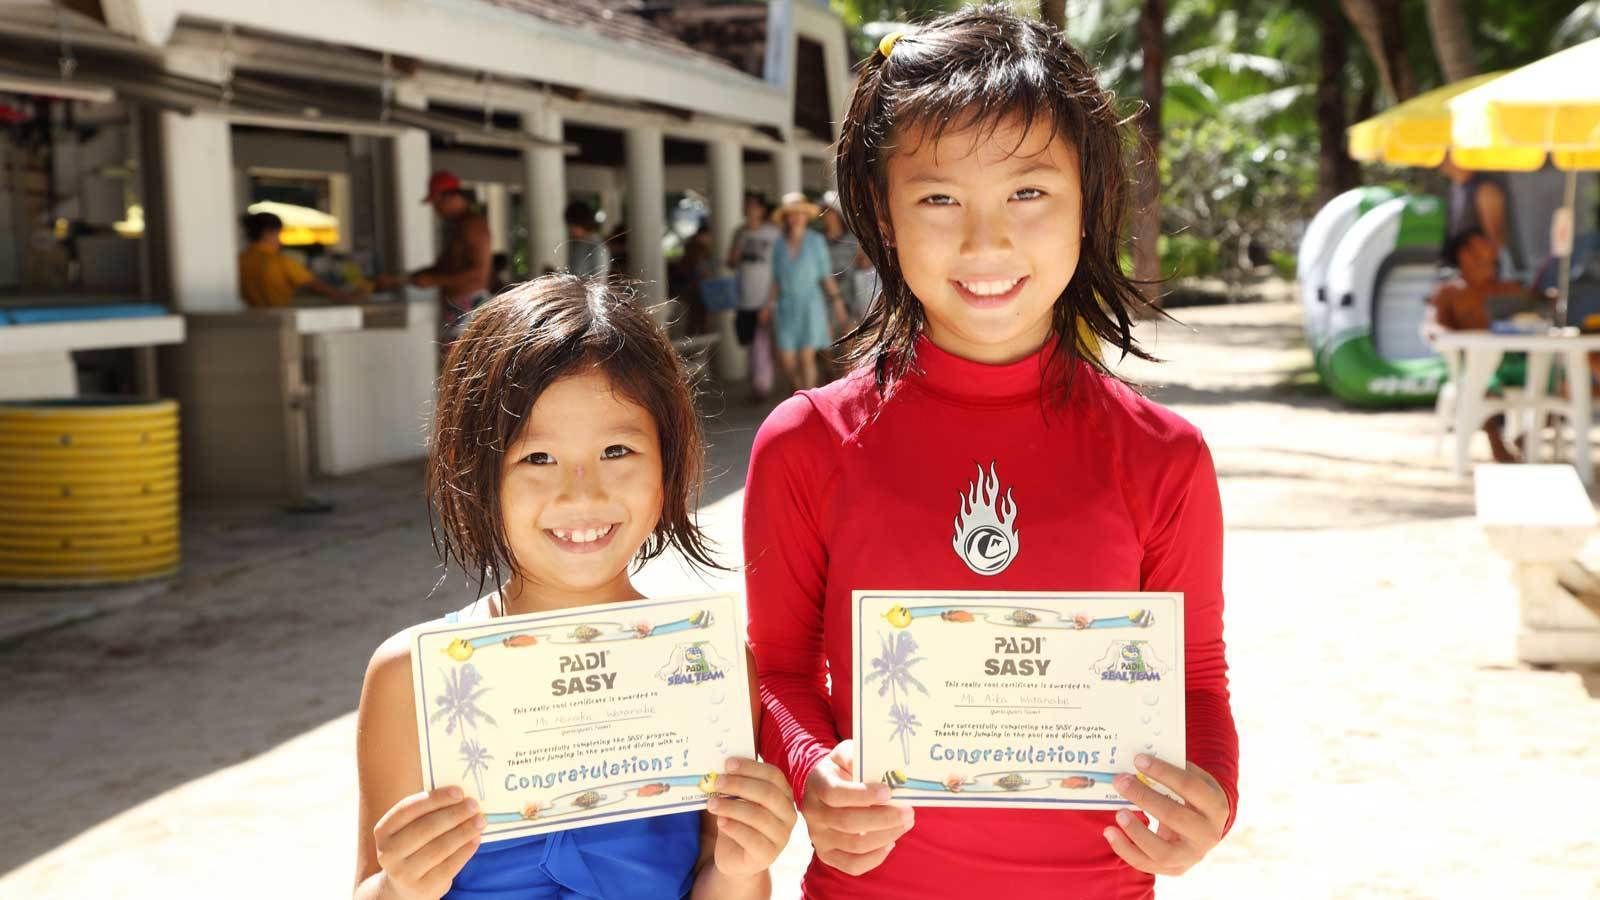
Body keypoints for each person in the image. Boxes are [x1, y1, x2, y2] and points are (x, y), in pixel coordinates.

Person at [743, 9, 1238, 900]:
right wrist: (816, 772)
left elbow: (1196, 682)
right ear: (883, 218)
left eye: (1028, 191)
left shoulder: (1164, 457)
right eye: (938, 198)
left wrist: (1211, 801)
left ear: (1089, 203)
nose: (984, 241)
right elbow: (778, 670)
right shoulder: (806, 444)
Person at [353, 275, 797, 900]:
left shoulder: (707, 666)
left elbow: (722, 880)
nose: (582, 493)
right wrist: (400, 885)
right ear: (475, 474)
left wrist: (744, 864)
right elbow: (369, 887)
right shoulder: (411, 677)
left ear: (668, 466)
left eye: (617, 450)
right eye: (538, 459)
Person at [1424, 227, 1545, 463]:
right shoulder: (1449, 292)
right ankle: (1496, 443)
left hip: (1513, 361)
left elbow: (1541, 310)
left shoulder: (1507, 289)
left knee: (1552, 382)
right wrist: (1448, 337)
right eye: (1483, 243)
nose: (1492, 248)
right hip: (1473, 364)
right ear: (1465, 254)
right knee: (1481, 384)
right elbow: (1432, 326)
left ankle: (1527, 437)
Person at [375, 170, 493, 337]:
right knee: (451, 360)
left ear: (450, 197)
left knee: (461, 361)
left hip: (470, 307)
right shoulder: (459, 226)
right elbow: (443, 269)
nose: (436, 211)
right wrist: (400, 279)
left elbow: (478, 275)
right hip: (456, 308)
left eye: (437, 204)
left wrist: (433, 280)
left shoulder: (473, 225)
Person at [764, 192, 847, 390]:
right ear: (785, 218)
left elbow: (826, 277)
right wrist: (767, 306)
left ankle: (806, 402)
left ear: (805, 216)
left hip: (811, 305)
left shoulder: (816, 241)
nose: (795, 217)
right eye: (791, 214)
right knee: (788, 361)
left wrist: (837, 304)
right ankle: (802, 392)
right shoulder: (778, 245)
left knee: (806, 358)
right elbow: (775, 280)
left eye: (799, 213)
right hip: (785, 306)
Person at [237, 212, 357, 307]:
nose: (280, 240)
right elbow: (314, 285)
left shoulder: (240, 260)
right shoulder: (279, 261)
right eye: (279, 234)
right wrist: (345, 297)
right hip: (280, 318)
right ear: (269, 233)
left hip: (251, 319)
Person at [727, 193, 782, 402]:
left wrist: (770, 301)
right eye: (746, 206)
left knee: (763, 341)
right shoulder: (739, 233)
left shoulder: (773, 234)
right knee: (750, 342)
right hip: (744, 297)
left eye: (753, 206)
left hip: (766, 297)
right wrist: (736, 251)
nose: (749, 210)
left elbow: (779, 269)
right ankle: (758, 383)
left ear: (761, 209)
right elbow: (731, 263)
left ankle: (763, 386)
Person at [1440, 153, 1511, 268]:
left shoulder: (1486, 189)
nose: (1441, 163)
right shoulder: (1455, 188)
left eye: (1445, 157)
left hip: (1484, 265)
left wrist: (1487, 265)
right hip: (1463, 264)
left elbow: (1495, 239)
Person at [564, 200, 612, 279]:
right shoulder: (577, 245)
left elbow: (598, 282)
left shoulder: (598, 248)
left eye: (572, 226)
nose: (570, 230)